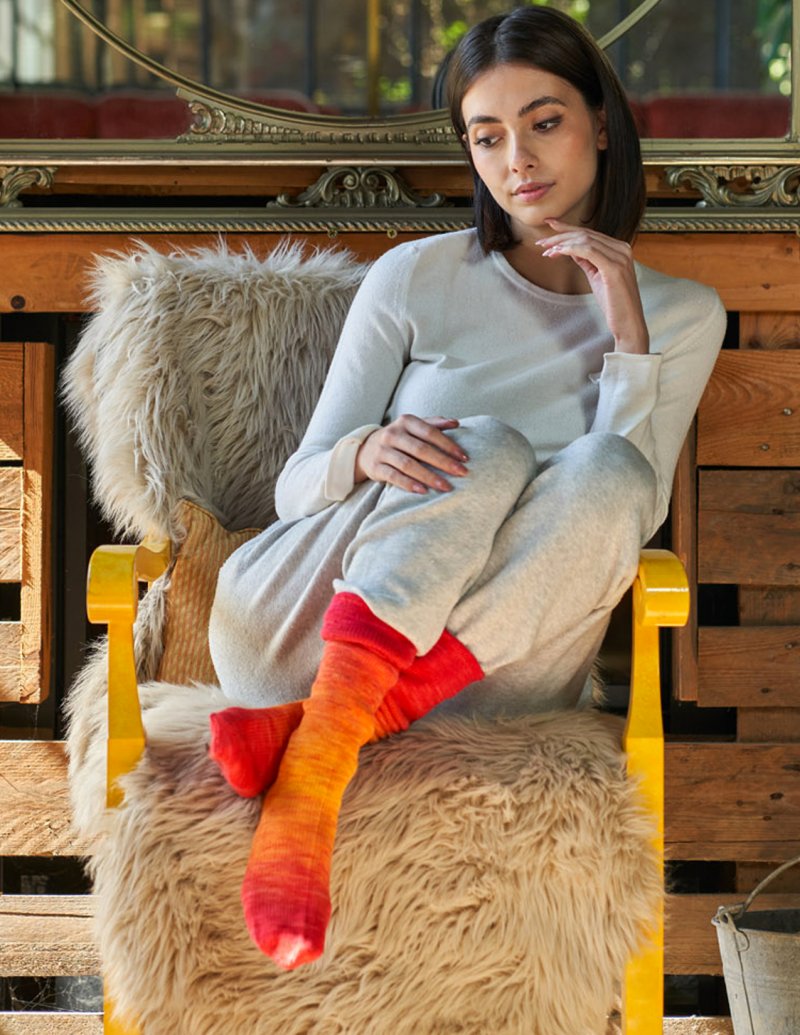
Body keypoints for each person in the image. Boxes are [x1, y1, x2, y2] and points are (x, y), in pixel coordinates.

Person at [207, 6, 726, 973]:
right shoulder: (416, 276)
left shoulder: (686, 314)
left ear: (600, 123)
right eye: (487, 137)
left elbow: (625, 516)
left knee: (610, 468)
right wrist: (367, 451)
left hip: (485, 675)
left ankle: (318, 745)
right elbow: (293, 489)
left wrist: (628, 336)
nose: (517, 160)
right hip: (297, 624)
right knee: (483, 444)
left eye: (544, 122)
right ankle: (323, 742)